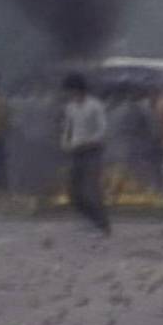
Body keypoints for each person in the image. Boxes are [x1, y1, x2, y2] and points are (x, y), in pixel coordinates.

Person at [60, 73, 111, 235]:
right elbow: (67, 129)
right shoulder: (70, 107)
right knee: (73, 191)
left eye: (70, 90)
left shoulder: (95, 105)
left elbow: (102, 129)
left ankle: (103, 225)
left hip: (92, 151)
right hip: (75, 151)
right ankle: (91, 219)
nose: (68, 94)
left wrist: (90, 141)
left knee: (92, 189)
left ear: (78, 89)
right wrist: (65, 143)